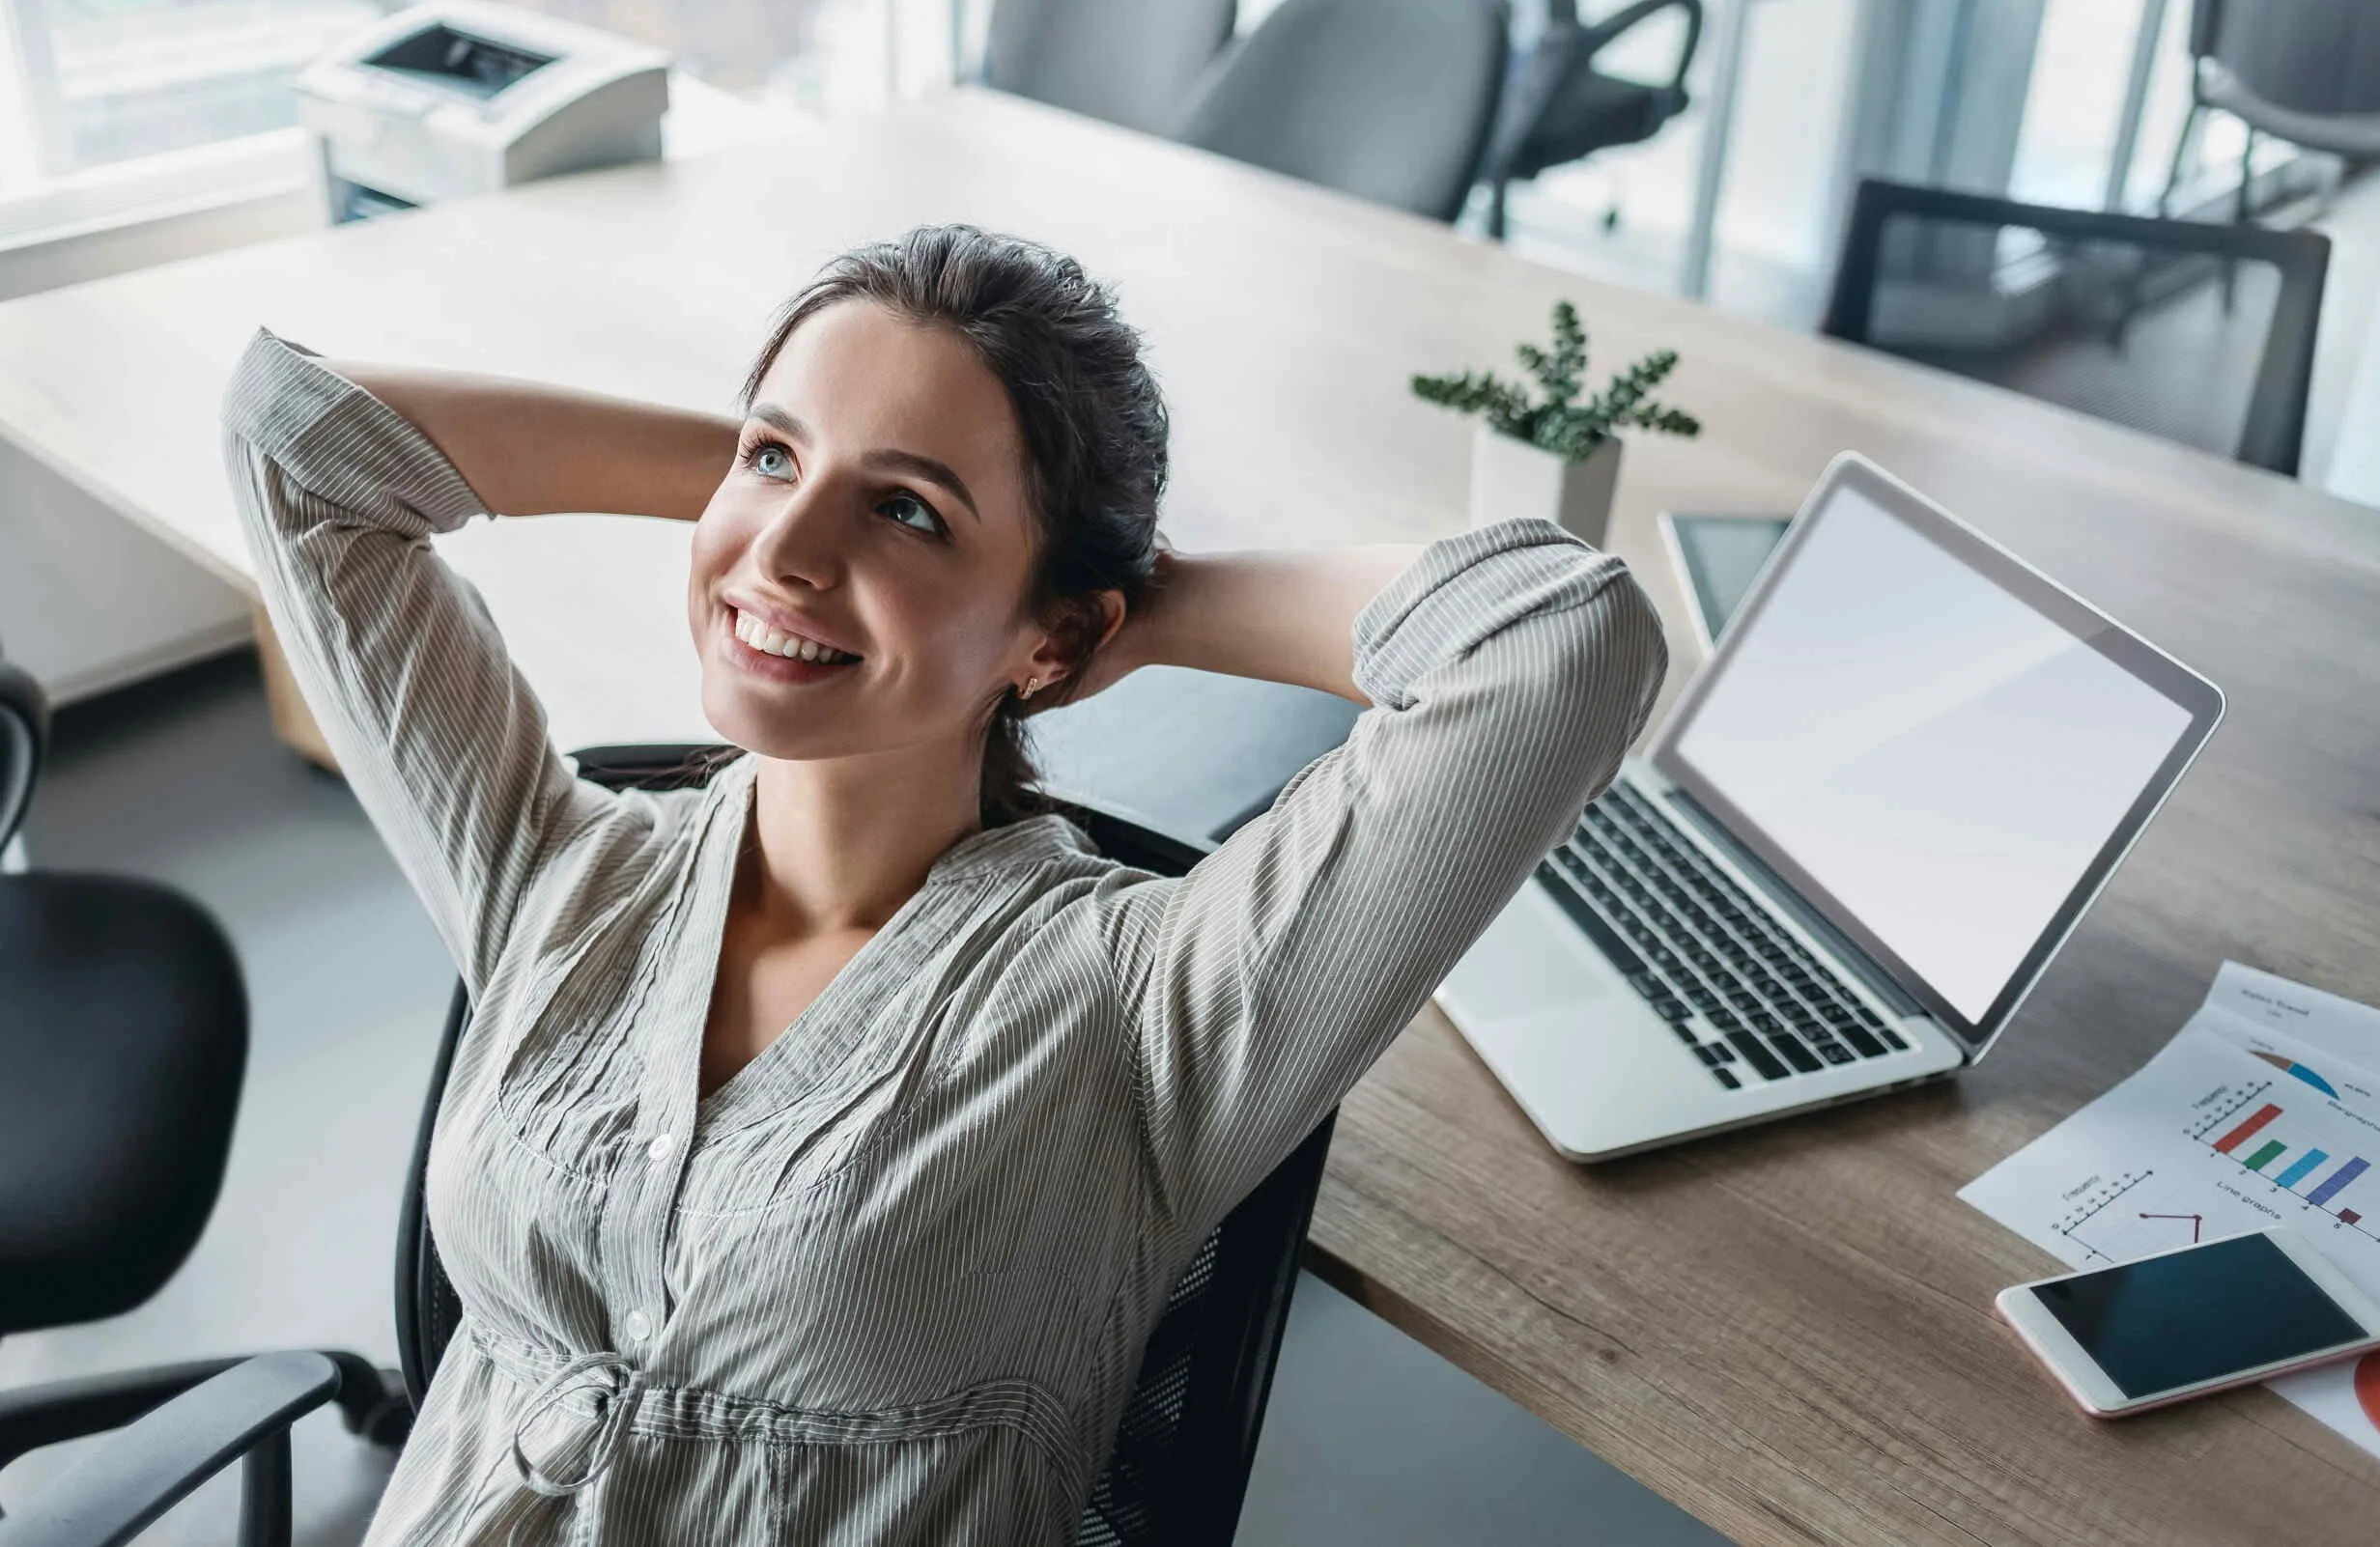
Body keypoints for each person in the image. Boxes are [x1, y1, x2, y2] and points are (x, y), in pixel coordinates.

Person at [223, 223, 1666, 1545]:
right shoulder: (557, 871)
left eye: (909, 512)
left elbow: (1553, 642)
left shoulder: (1143, 1009)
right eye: (770, 460)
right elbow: (303, 447)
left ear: (1054, 642)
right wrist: (792, 489)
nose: (788, 552)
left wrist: (1122, 603)